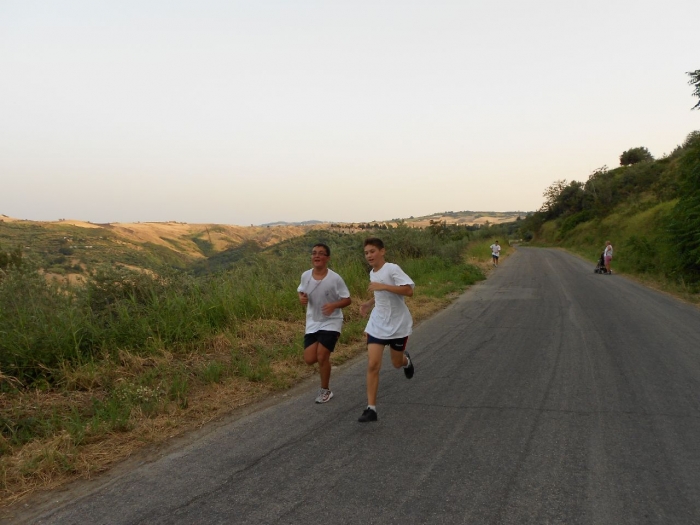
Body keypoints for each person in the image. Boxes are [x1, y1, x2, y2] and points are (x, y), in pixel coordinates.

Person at [357, 238, 415, 423]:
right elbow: (380, 294)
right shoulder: (372, 273)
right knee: (373, 364)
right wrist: (368, 303)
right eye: (366, 253)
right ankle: (371, 409)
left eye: (372, 251)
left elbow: (408, 291)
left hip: (398, 323)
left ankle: (407, 361)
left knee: (396, 363)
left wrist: (383, 286)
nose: (369, 255)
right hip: (378, 323)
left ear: (382, 251)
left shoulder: (392, 269)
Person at [298, 243, 351, 404]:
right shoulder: (305, 276)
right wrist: (302, 298)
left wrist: (334, 305)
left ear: (327, 258)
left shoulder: (335, 278)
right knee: (309, 359)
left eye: (321, 253)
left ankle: (325, 390)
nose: (317, 256)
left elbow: (347, 299)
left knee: (321, 356)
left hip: (332, 321)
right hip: (313, 321)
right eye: (314, 253)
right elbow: (301, 291)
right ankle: (326, 364)